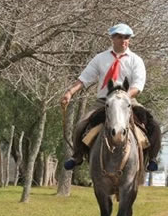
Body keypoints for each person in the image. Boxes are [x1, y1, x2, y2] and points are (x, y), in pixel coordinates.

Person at [60, 23, 161, 172]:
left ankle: (151, 158)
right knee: (81, 125)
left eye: (127, 37)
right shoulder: (100, 58)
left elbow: (138, 85)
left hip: (128, 101)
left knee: (155, 126)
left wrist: (124, 97)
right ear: (112, 38)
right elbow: (84, 79)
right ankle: (77, 156)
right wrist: (69, 92)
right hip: (104, 102)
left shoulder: (136, 60)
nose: (124, 40)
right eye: (120, 37)